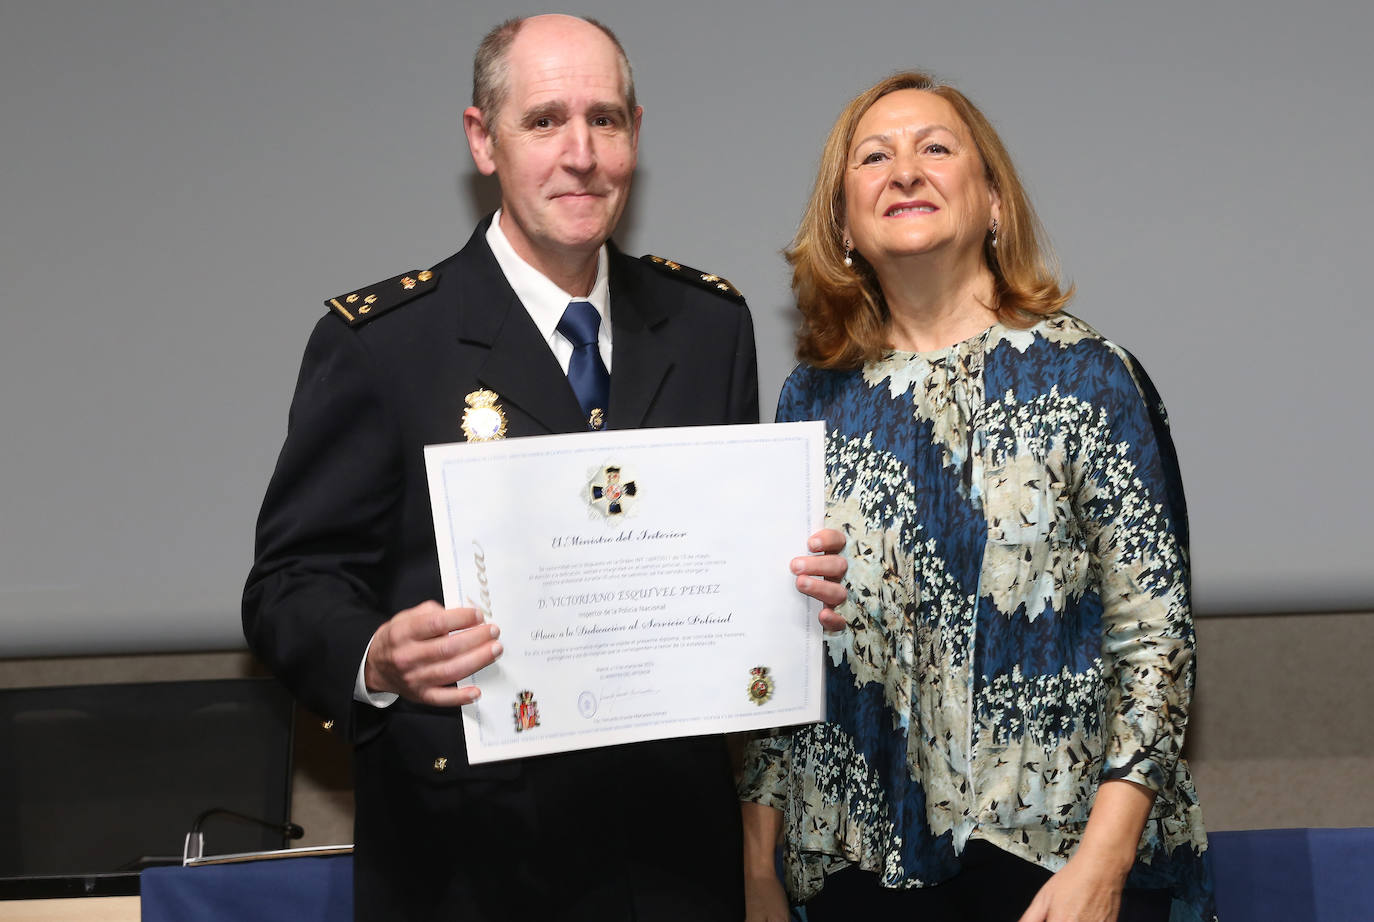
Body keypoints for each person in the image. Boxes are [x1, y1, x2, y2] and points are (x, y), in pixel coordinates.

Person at [242, 15, 846, 922]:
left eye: (605, 120)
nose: (581, 154)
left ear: (635, 134)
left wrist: (792, 586)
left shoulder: (707, 325)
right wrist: (376, 655)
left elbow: (718, 560)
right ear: (483, 140)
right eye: (544, 121)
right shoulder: (383, 344)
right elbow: (288, 586)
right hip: (467, 865)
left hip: (671, 859)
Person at [739, 72, 1215, 922]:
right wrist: (759, 865)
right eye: (875, 155)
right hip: (861, 870)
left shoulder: (1087, 378)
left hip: (1056, 866)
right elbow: (781, 647)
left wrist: (1104, 864)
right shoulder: (810, 403)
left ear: (993, 201)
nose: (906, 170)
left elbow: (1158, 645)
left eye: (936, 148)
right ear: (844, 223)